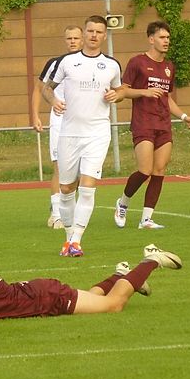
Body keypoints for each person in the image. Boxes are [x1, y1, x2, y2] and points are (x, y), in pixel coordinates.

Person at [0, 243, 182, 323]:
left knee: (113, 305)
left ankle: (151, 260)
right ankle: (119, 275)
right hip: (39, 294)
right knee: (94, 299)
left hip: (46, 298)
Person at [42, 16, 122, 257]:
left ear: (105, 35)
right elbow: (46, 88)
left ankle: (76, 240)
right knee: (67, 188)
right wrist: (54, 101)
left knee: (87, 186)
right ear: (84, 33)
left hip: (97, 133)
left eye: (99, 31)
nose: (94, 35)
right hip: (69, 133)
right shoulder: (67, 62)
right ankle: (69, 238)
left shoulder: (112, 65)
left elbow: (120, 89)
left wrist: (117, 95)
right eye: (90, 31)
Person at [114, 21, 190, 229]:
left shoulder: (169, 67)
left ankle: (146, 219)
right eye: (162, 37)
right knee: (145, 170)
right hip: (143, 124)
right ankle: (123, 202)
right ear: (151, 39)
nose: (166, 41)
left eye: (168, 38)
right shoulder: (137, 62)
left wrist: (184, 116)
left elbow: (167, 98)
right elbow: (122, 92)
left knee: (159, 170)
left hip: (163, 125)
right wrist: (144, 92)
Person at [30, 25, 84, 228]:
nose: (72, 41)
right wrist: (36, 115)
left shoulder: (90, 63)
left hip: (82, 124)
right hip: (60, 121)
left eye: (76, 38)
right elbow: (39, 89)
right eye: (69, 38)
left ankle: (68, 209)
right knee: (59, 167)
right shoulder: (55, 63)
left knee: (78, 172)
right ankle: (56, 213)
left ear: (82, 39)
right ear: (65, 40)